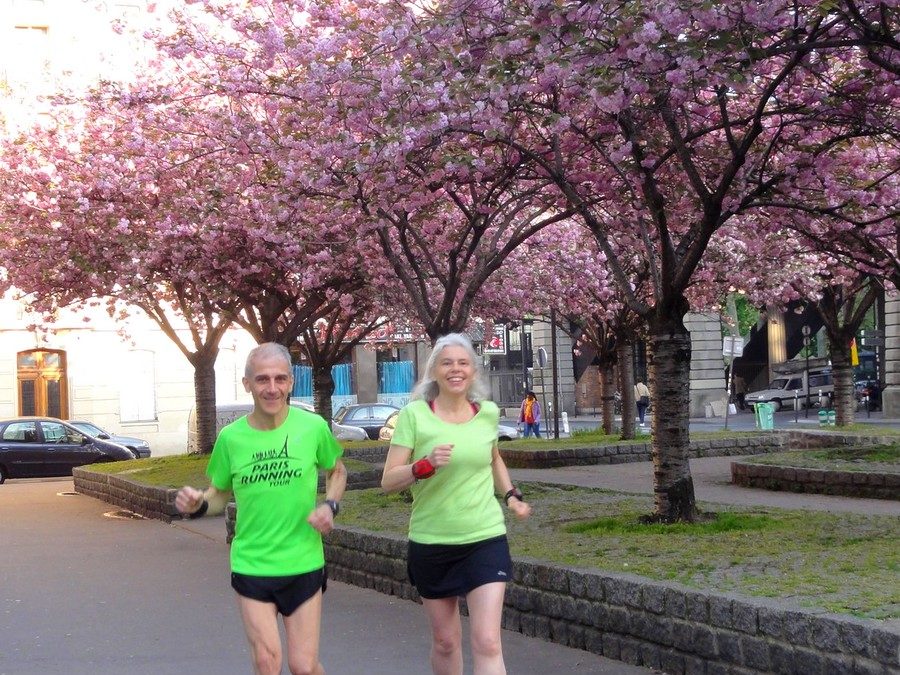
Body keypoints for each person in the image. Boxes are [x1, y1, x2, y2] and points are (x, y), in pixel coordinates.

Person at [175, 342, 347, 675]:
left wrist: (331, 505)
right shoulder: (231, 439)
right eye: (263, 379)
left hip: (303, 561)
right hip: (252, 563)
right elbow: (220, 495)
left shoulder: (312, 427)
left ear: (291, 382)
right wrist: (197, 504)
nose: (272, 388)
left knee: (304, 666)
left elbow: (337, 470)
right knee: (268, 662)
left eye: (280, 379)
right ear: (247, 384)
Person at [381, 333, 532, 675]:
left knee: (488, 641)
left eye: (463, 363)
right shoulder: (414, 416)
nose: (456, 369)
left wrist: (511, 496)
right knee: (446, 642)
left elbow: (493, 457)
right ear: (434, 371)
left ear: (474, 372)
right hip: (433, 541)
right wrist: (423, 466)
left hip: (485, 537)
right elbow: (388, 480)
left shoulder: (488, 414)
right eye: (447, 363)